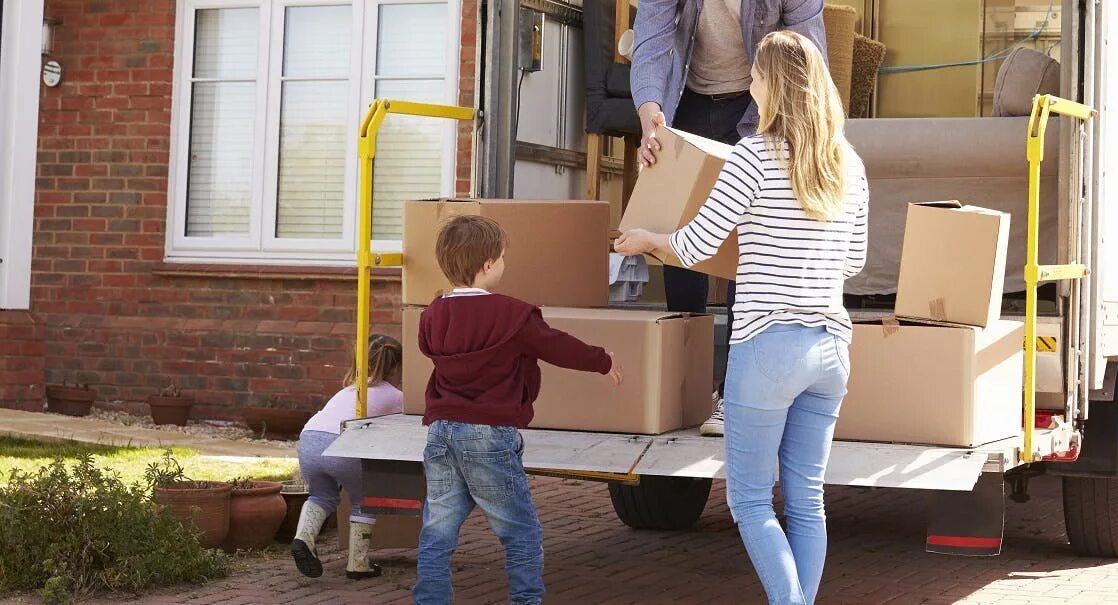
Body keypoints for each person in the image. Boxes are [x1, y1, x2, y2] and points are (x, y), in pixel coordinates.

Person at [617, 30, 868, 605]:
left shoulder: (753, 156)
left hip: (767, 344)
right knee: (805, 497)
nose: (748, 84)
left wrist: (646, 240)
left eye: (755, 75)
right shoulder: (848, 164)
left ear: (774, 86)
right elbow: (853, 261)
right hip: (830, 346)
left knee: (751, 501)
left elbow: (698, 243)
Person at [630, 0, 828, 437]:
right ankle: (685, 387)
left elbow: (806, 60)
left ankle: (734, 395)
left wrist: (783, 137)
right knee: (681, 235)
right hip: (687, 101)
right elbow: (653, 42)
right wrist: (651, 117)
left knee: (748, 242)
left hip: (759, 107)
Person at [412, 215, 623, 605]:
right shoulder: (512, 315)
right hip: (489, 435)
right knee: (520, 532)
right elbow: (556, 345)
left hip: (440, 432)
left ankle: (429, 600)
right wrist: (602, 360)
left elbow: (432, 350)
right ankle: (526, 600)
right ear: (488, 264)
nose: (504, 264)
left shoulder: (432, 314)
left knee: (437, 531)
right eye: (503, 258)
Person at [290, 333, 404, 580]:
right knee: (366, 499)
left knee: (321, 496)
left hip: (309, 439)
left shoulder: (349, 389)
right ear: (396, 367)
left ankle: (304, 539)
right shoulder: (395, 395)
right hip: (342, 444)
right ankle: (358, 563)